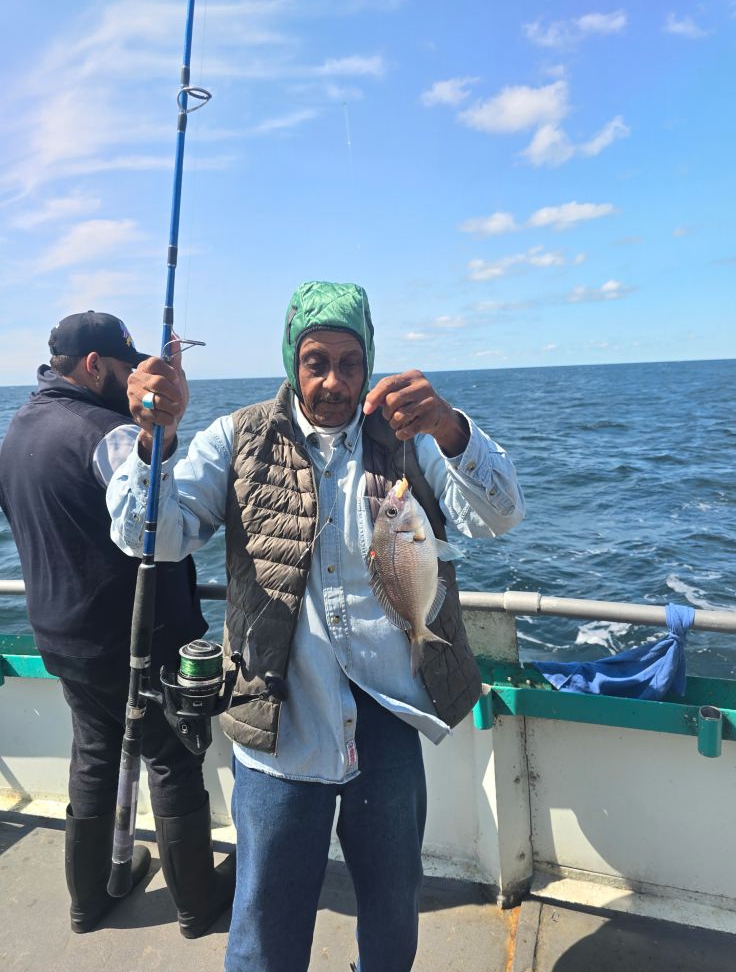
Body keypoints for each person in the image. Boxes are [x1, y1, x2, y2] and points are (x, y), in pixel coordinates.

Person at [107, 281, 525, 971]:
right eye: (315, 361)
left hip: (388, 719)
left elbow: (499, 515)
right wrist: (154, 439)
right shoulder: (237, 437)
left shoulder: (409, 439)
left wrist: (451, 428)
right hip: (278, 722)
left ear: (370, 365)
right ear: (289, 361)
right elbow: (150, 536)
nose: (333, 381)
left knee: (394, 907)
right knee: (265, 922)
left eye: (350, 362)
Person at [0, 311, 234, 938]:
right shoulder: (105, 433)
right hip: (132, 641)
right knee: (172, 758)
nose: (135, 381)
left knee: (96, 757)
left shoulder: (18, 429)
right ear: (95, 366)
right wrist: (157, 433)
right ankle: (196, 902)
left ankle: (91, 898)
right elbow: (151, 525)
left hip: (60, 637)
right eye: (127, 368)